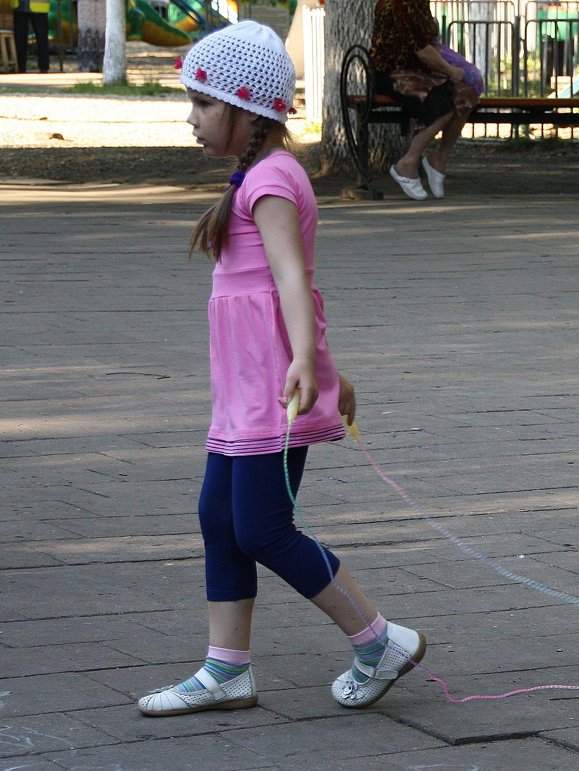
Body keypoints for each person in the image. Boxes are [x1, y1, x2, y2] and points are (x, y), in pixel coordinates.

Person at [137, 21, 425, 716]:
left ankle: (378, 640)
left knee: (263, 527)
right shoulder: (256, 177)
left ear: (247, 107)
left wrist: (305, 363)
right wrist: (329, 369)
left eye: (203, 104)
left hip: (272, 392)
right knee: (219, 516)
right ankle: (226, 667)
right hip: (247, 392)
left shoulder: (269, 181)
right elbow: (282, 291)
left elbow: (293, 282)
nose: (193, 120)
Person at [370, 0, 483, 201]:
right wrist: (449, 70)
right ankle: (408, 162)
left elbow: (430, 42)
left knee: (466, 96)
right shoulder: (402, 4)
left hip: (419, 71)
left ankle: (438, 158)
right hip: (393, 73)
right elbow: (421, 49)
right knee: (444, 99)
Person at [11, 0, 51, 74]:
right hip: (19, 6)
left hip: (39, 6)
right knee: (19, 39)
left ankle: (44, 66)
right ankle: (20, 67)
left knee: (42, 38)